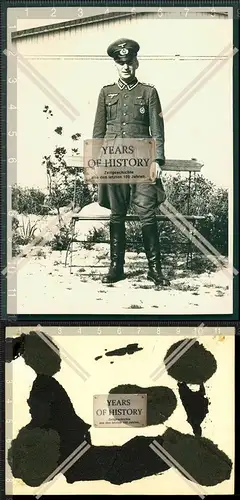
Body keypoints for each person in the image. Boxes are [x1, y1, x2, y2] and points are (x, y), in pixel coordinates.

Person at [93, 38, 169, 286]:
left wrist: (157, 159)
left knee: (147, 213)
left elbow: (157, 129)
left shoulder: (149, 92)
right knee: (117, 214)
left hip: (143, 160)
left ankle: (154, 269)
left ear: (136, 62)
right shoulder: (105, 92)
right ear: (115, 64)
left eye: (129, 62)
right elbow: (99, 130)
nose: (125, 66)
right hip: (114, 159)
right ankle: (117, 267)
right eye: (120, 62)